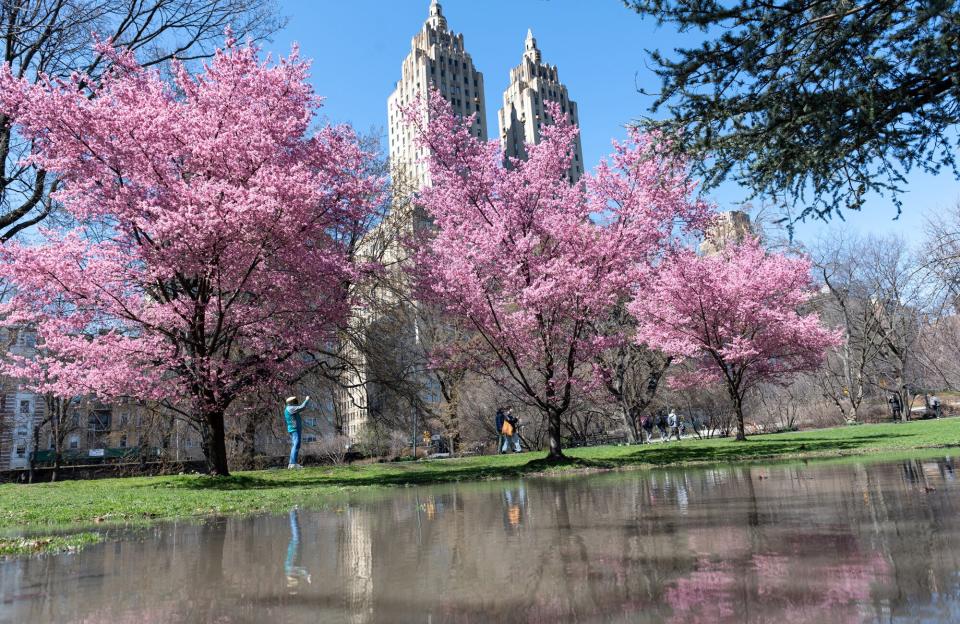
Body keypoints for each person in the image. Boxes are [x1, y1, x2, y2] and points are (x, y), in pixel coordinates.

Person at [284, 395, 310, 469]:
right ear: (291, 402)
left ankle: (292, 463)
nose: (296, 403)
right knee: (296, 444)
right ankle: (292, 463)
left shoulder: (288, 408)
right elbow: (302, 407)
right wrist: (307, 400)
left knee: (295, 445)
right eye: (295, 401)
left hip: (293, 429)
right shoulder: (291, 408)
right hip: (294, 429)